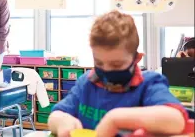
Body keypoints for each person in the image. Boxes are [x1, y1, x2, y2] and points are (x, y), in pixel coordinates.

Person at [48, 10, 189, 137]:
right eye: (99, 63)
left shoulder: (148, 84)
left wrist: (115, 118)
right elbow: (55, 115)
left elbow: (176, 120)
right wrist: (62, 121)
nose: (106, 70)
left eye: (116, 64)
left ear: (136, 58)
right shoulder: (87, 83)